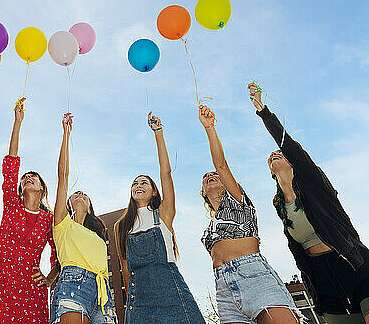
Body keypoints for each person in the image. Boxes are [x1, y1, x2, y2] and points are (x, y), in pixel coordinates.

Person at [249, 82, 369, 324]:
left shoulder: (315, 186)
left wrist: (263, 111)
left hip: (353, 265)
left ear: (293, 163)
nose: (274, 154)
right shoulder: (279, 204)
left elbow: (289, 146)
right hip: (321, 279)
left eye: (280, 154)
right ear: (271, 173)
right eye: (270, 156)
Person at [198, 104, 302, 324]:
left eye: (214, 175)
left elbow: (221, 165)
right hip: (224, 289)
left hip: (254, 275)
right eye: (206, 177)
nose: (211, 175)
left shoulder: (237, 199)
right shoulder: (209, 229)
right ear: (203, 193)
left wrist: (209, 128)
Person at [114, 112, 205, 324]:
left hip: (171, 292)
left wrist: (158, 134)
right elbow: (126, 270)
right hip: (139, 301)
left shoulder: (163, 214)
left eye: (144, 182)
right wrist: (131, 304)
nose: (138, 185)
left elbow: (166, 174)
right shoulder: (121, 226)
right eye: (135, 183)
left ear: (154, 191)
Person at [0, 98, 59, 324]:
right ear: (21, 189)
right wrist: (17, 123)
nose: (27, 178)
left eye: (33, 177)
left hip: (31, 288)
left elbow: (57, 255)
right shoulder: (12, 205)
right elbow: (11, 166)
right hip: (1, 280)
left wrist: (49, 279)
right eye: (25, 178)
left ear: (42, 189)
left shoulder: (49, 220)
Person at [50, 113, 117, 324]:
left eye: (85, 194)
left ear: (90, 205)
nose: (80, 194)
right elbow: (63, 175)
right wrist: (66, 135)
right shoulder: (62, 224)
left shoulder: (98, 234)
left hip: (102, 290)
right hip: (73, 282)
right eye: (75, 193)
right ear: (68, 203)